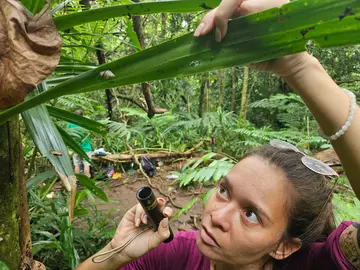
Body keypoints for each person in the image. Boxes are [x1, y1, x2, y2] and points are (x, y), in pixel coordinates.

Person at [77, 0, 360, 269]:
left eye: (251, 215)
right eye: (223, 191)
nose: (216, 216)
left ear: (284, 246)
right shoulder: (174, 254)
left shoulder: (315, 265)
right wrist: (117, 253)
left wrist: (299, 66)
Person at [67, 109, 92, 178]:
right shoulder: (85, 122)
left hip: (75, 147)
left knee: (76, 165)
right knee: (86, 164)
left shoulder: (70, 123)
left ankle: (77, 181)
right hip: (86, 147)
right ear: (82, 116)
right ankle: (87, 181)